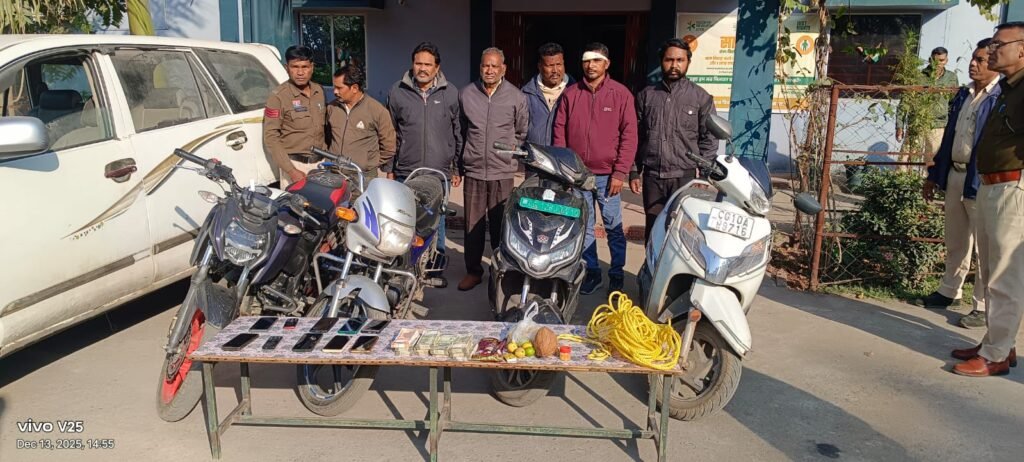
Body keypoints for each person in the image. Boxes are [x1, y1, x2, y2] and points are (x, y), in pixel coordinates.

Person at [951, 22, 1024, 378]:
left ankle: (995, 355)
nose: (991, 51)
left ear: (1022, 49)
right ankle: (999, 343)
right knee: (992, 271)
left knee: (1006, 276)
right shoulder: (1009, 88)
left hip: (1014, 188)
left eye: (998, 45)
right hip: (991, 185)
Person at [920, 39, 1001, 329]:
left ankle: (982, 304)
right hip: (955, 173)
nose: (973, 64)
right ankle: (949, 290)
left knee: (984, 246)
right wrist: (934, 175)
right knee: (956, 238)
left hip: (981, 179)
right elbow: (950, 136)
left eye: (981, 60)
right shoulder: (964, 94)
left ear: (995, 63)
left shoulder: (1000, 98)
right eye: (972, 58)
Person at [552, 42, 638, 295]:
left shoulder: (621, 94)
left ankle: (616, 273)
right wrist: (565, 170)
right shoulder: (570, 94)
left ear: (606, 64)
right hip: (578, 176)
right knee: (585, 226)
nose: (591, 65)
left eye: (596, 60)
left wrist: (620, 173)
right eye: (587, 61)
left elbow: (629, 136)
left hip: (608, 177)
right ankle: (592, 272)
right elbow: (559, 133)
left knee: (613, 227)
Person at [631, 38, 719, 243]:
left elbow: (709, 139)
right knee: (654, 231)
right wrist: (634, 171)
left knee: (683, 233)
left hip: (685, 178)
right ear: (661, 61)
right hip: (653, 178)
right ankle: (651, 265)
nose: (674, 65)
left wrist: (703, 177)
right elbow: (636, 136)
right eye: (669, 60)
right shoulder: (646, 96)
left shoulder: (701, 98)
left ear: (688, 62)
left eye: (680, 60)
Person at [456, 47, 529, 291]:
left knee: (501, 226)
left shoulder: (516, 97)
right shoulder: (466, 94)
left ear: (503, 69)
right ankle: (473, 271)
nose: (489, 70)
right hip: (475, 170)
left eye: (494, 66)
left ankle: (500, 273)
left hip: (502, 172)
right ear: (480, 67)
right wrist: (462, 162)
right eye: (485, 65)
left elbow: (521, 132)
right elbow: (461, 131)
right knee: (472, 226)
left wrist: (507, 153)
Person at [385, 42, 462, 254]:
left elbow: (457, 132)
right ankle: (403, 264)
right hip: (406, 171)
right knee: (403, 220)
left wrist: (456, 168)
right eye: (418, 63)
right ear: (412, 64)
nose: (422, 69)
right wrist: (390, 167)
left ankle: (436, 262)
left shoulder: (450, 93)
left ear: (437, 68)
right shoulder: (397, 91)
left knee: (437, 222)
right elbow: (391, 132)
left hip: (439, 173)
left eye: (428, 64)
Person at [263, 45, 328, 188]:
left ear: (312, 67)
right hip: (295, 166)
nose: (300, 72)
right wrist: (291, 171)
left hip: (320, 164)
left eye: (305, 67)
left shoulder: (319, 91)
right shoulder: (278, 97)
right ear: (287, 68)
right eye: (295, 67)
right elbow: (271, 137)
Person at [327, 65, 396, 195]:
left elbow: (389, 146)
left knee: (359, 208)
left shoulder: (377, 110)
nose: (335, 91)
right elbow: (327, 137)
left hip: (362, 179)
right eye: (334, 87)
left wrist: (369, 163)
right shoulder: (332, 108)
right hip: (334, 175)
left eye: (339, 88)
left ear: (354, 88)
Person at [896, 47, 960, 163]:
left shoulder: (951, 78)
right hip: (917, 123)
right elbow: (905, 102)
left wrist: (951, 127)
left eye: (941, 60)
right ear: (930, 60)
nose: (938, 64)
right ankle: (903, 175)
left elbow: (953, 102)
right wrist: (899, 125)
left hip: (938, 125)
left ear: (946, 61)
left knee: (933, 161)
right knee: (907, 159)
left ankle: (927, 176)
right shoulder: (918, 76)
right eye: (935, 60)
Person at [522, 42, 573, 145]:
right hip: (535, 153)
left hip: (565, 153)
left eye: (559, 64)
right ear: (540, 66)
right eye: (550, 65)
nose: (555, 70)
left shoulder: (575, 92)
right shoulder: (526, 93)